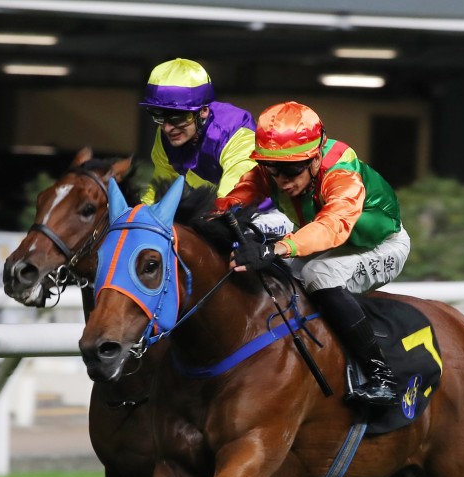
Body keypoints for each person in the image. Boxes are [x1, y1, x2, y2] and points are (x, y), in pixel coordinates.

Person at [217, 101, 409, 406]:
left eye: (292, 169)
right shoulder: (275, 170)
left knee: (316, 274)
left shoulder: (342, 176)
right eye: (272, 168)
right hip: (329, 244)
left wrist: (274, 247)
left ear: (316, 156)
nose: (281, 180)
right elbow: (236, 197)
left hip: (379, 246)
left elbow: (331, 226)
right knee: (279, 273)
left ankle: (381, 375)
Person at [138, 58, 290, 238]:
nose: (168, 128)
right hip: (215, 212)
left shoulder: (235, 133)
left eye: (177, 117)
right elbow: (163, 184)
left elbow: (233, 199)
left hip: (266, 214)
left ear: (203, 111)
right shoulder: (166, 135)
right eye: (159, 116)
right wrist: (139, 216)